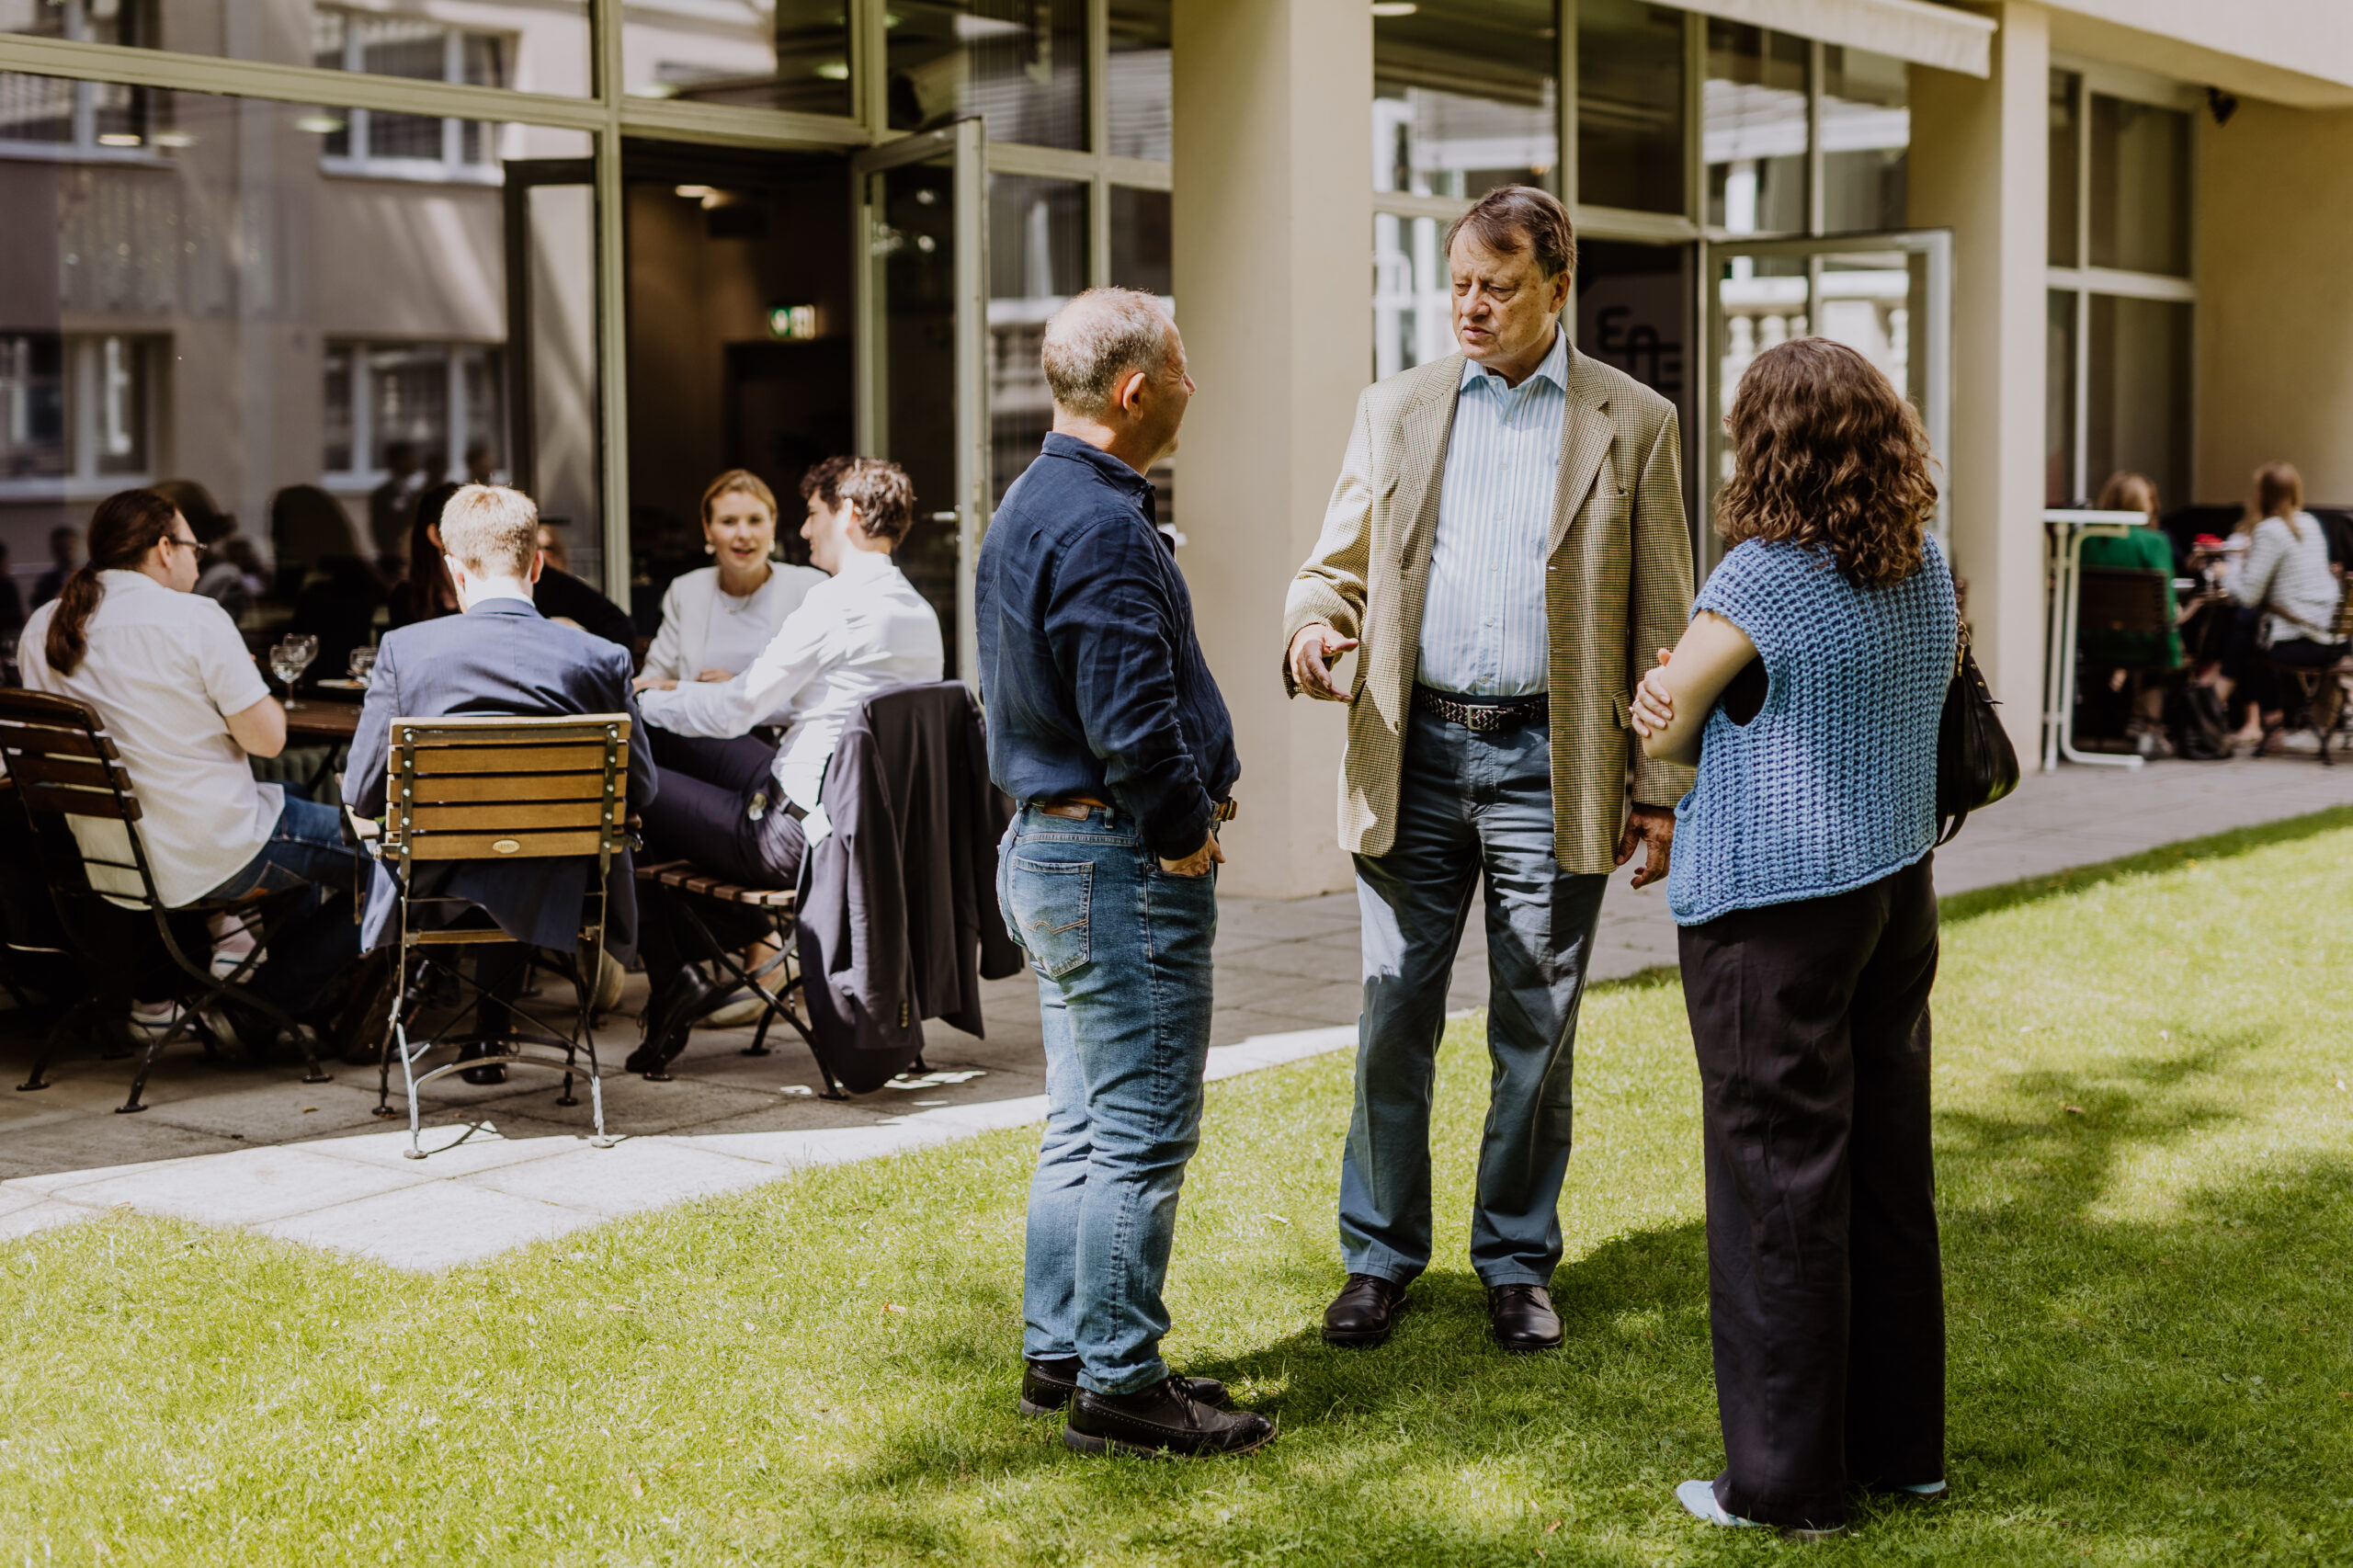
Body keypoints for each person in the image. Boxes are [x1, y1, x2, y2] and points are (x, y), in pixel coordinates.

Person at [1282, 185, 1693, 1356]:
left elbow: (1662, 616)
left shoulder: (1634, 420)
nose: (1470, 305)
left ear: (1558, 289)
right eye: (1459, 282)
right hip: (1411, 754)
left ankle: (1515, 1260)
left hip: (1549, 764)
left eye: (1498, 287)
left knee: (1535, 1024)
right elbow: (1333, 570)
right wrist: (1311, 627)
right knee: (1391, 1013)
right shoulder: (1396, 407)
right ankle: (1377, 1256)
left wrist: (1659, 786)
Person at [1630, 336, 1957, 1538]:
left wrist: (1659, 689)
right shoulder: (1924, 559)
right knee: (1885, 1171)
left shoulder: (1760, 580)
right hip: (1894, 891)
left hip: (1773, 909)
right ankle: (1901, 1450)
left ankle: (1783, 1484)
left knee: (1776, 1182)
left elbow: (1666, 726)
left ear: (1763, 445)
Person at [977, 287, 1270, 1460]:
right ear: (1139, 388)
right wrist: (1182, 826)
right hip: (1113, 857)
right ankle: (1120, 1381)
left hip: (1053, 848)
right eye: (1184, 368)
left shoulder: (1035, 495)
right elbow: (1131, 717)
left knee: (1084, 1118)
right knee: (1141, 1126)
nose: (1195, 386)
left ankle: (1063, 1351)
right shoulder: (1099, 523)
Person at [17, 489, 364, 1055]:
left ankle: (259, 968)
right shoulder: (193, 618)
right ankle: (265, 1004)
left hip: (114, 861)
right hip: (211, 852)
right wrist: (246, 685)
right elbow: (269, 740)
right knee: (402, 861)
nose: (199, 563)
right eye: (194, 549)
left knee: (291, 792)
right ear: (164, 548)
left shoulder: (42, 625)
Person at [627, 457, 942, 1071]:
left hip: (788, 832)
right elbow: (808, 699)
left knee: (626, 786)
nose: (803, 529)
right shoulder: (916, 610)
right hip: (845, 813)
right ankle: (690, 969)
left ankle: (675, 977)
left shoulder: (836, 603)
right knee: (656, 742)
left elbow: (735, 711)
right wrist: (672, 699)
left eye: (814, 513)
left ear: (848, 515)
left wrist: (642, 702)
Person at [344, 485, 656, 1084]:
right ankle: (493, 1024)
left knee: (461, 850)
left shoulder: (406, 651)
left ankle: (424, 1008)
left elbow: (361, 792)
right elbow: (640, 788)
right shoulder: (602, 658)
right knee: (516, 854)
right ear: (537, 565)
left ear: (454, 570)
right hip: (563, 878)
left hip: (435, 881)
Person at [392, 482, 638, 653]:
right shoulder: (407, 601)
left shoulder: (528, 579)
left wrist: (572, 651)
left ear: (535, 567)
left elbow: (616, 624)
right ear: (436, 535)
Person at [641, 470, 825, 693]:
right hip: (699, 718)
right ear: (708, 530)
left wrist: (735, 689)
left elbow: (823, 684)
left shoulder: (810, 588)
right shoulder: (685, 590)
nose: (744, 534)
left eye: (755, 520)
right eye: (728, 522)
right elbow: (653, 680)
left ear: (772, 525)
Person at [2231, 460, 2346, 744]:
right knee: (2248, 629)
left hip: (2305, 642)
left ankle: (2268, 725)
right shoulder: (2312, 524)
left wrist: (2225, 573)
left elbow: (2249, 596)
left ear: (2261, 494)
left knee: (2247, 635)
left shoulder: (2269, 530)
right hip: (2335, 639)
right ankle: (2267, 725)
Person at [368, 441, 426, 573]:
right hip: (393, 560)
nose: (414, 463)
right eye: (409, 459)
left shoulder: (415, 493)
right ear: (397, 461)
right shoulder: (382, 494)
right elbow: (378, 527)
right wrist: (391, 552)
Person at [31, 525, 77, 609]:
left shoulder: (87, 577)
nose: (67, 553)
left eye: (69, 548)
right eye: (62, 548)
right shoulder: (46, 582)